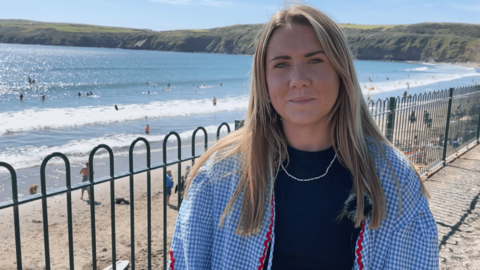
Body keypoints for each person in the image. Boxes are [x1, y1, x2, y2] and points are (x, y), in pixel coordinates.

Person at [168, 5, 438, 270]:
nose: (298, 79)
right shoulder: (220, 175)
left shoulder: (393, 178)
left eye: (315, 60)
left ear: (341, 71)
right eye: (281, 64)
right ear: (264, 80)